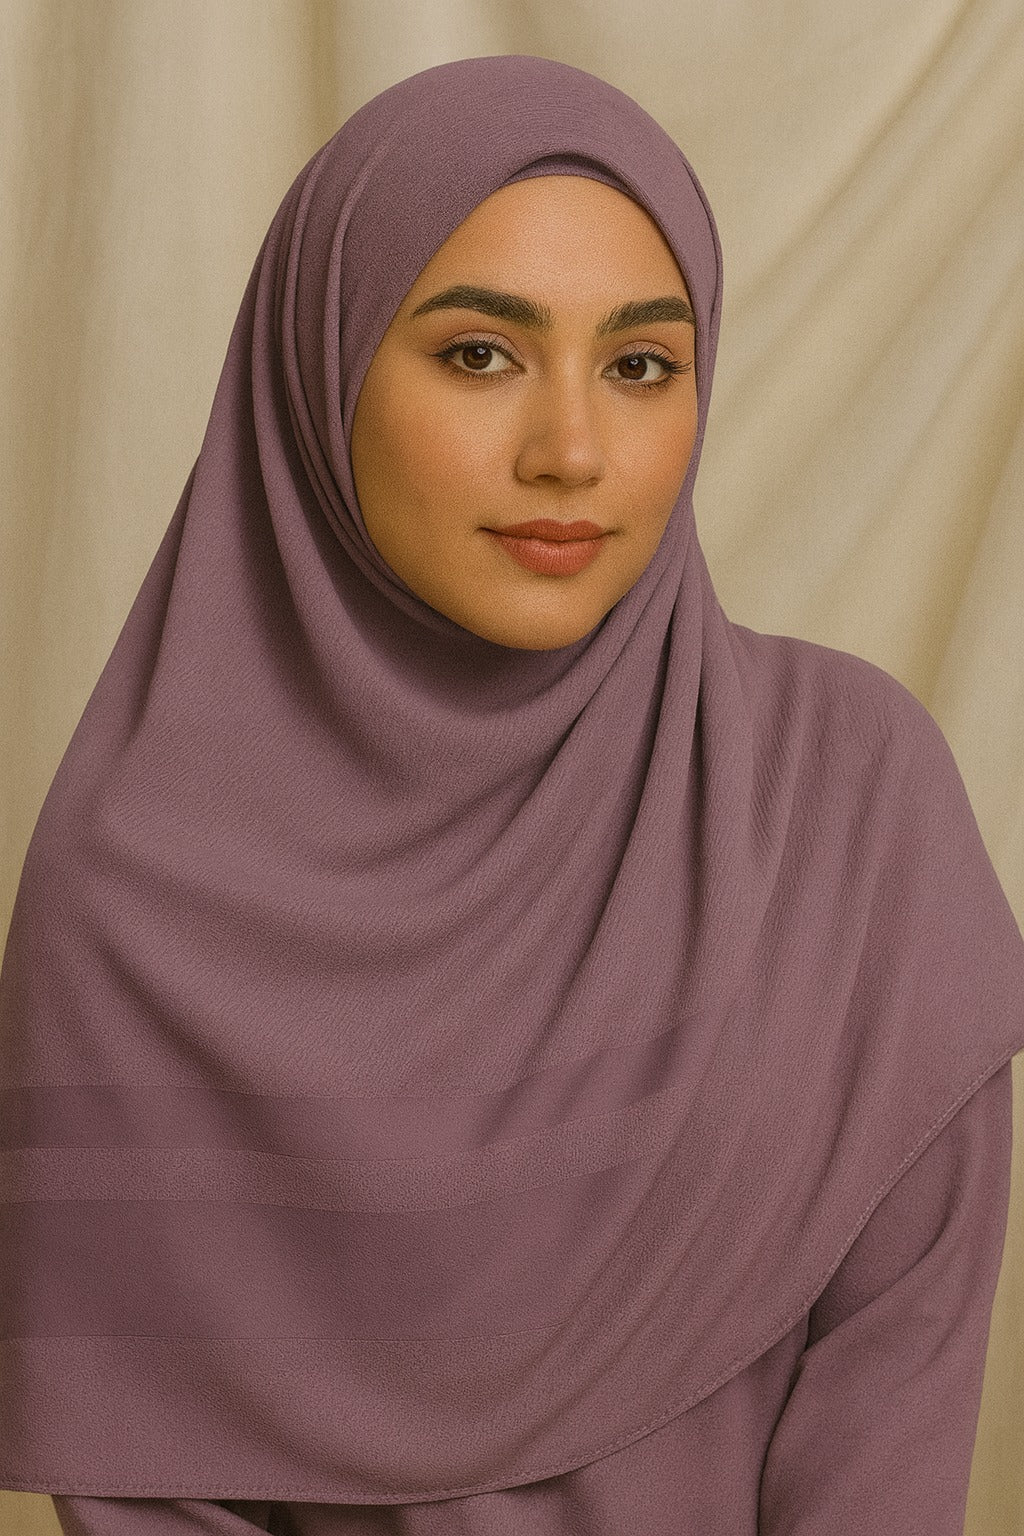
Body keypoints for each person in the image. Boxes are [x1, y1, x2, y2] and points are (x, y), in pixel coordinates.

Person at [2, 54, 1023, 1536]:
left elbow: (891, 1430)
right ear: (322, 365)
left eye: (641, 364)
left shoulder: (848, 808)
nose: (572, 452)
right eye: (481, 354)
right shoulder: (134, 902)